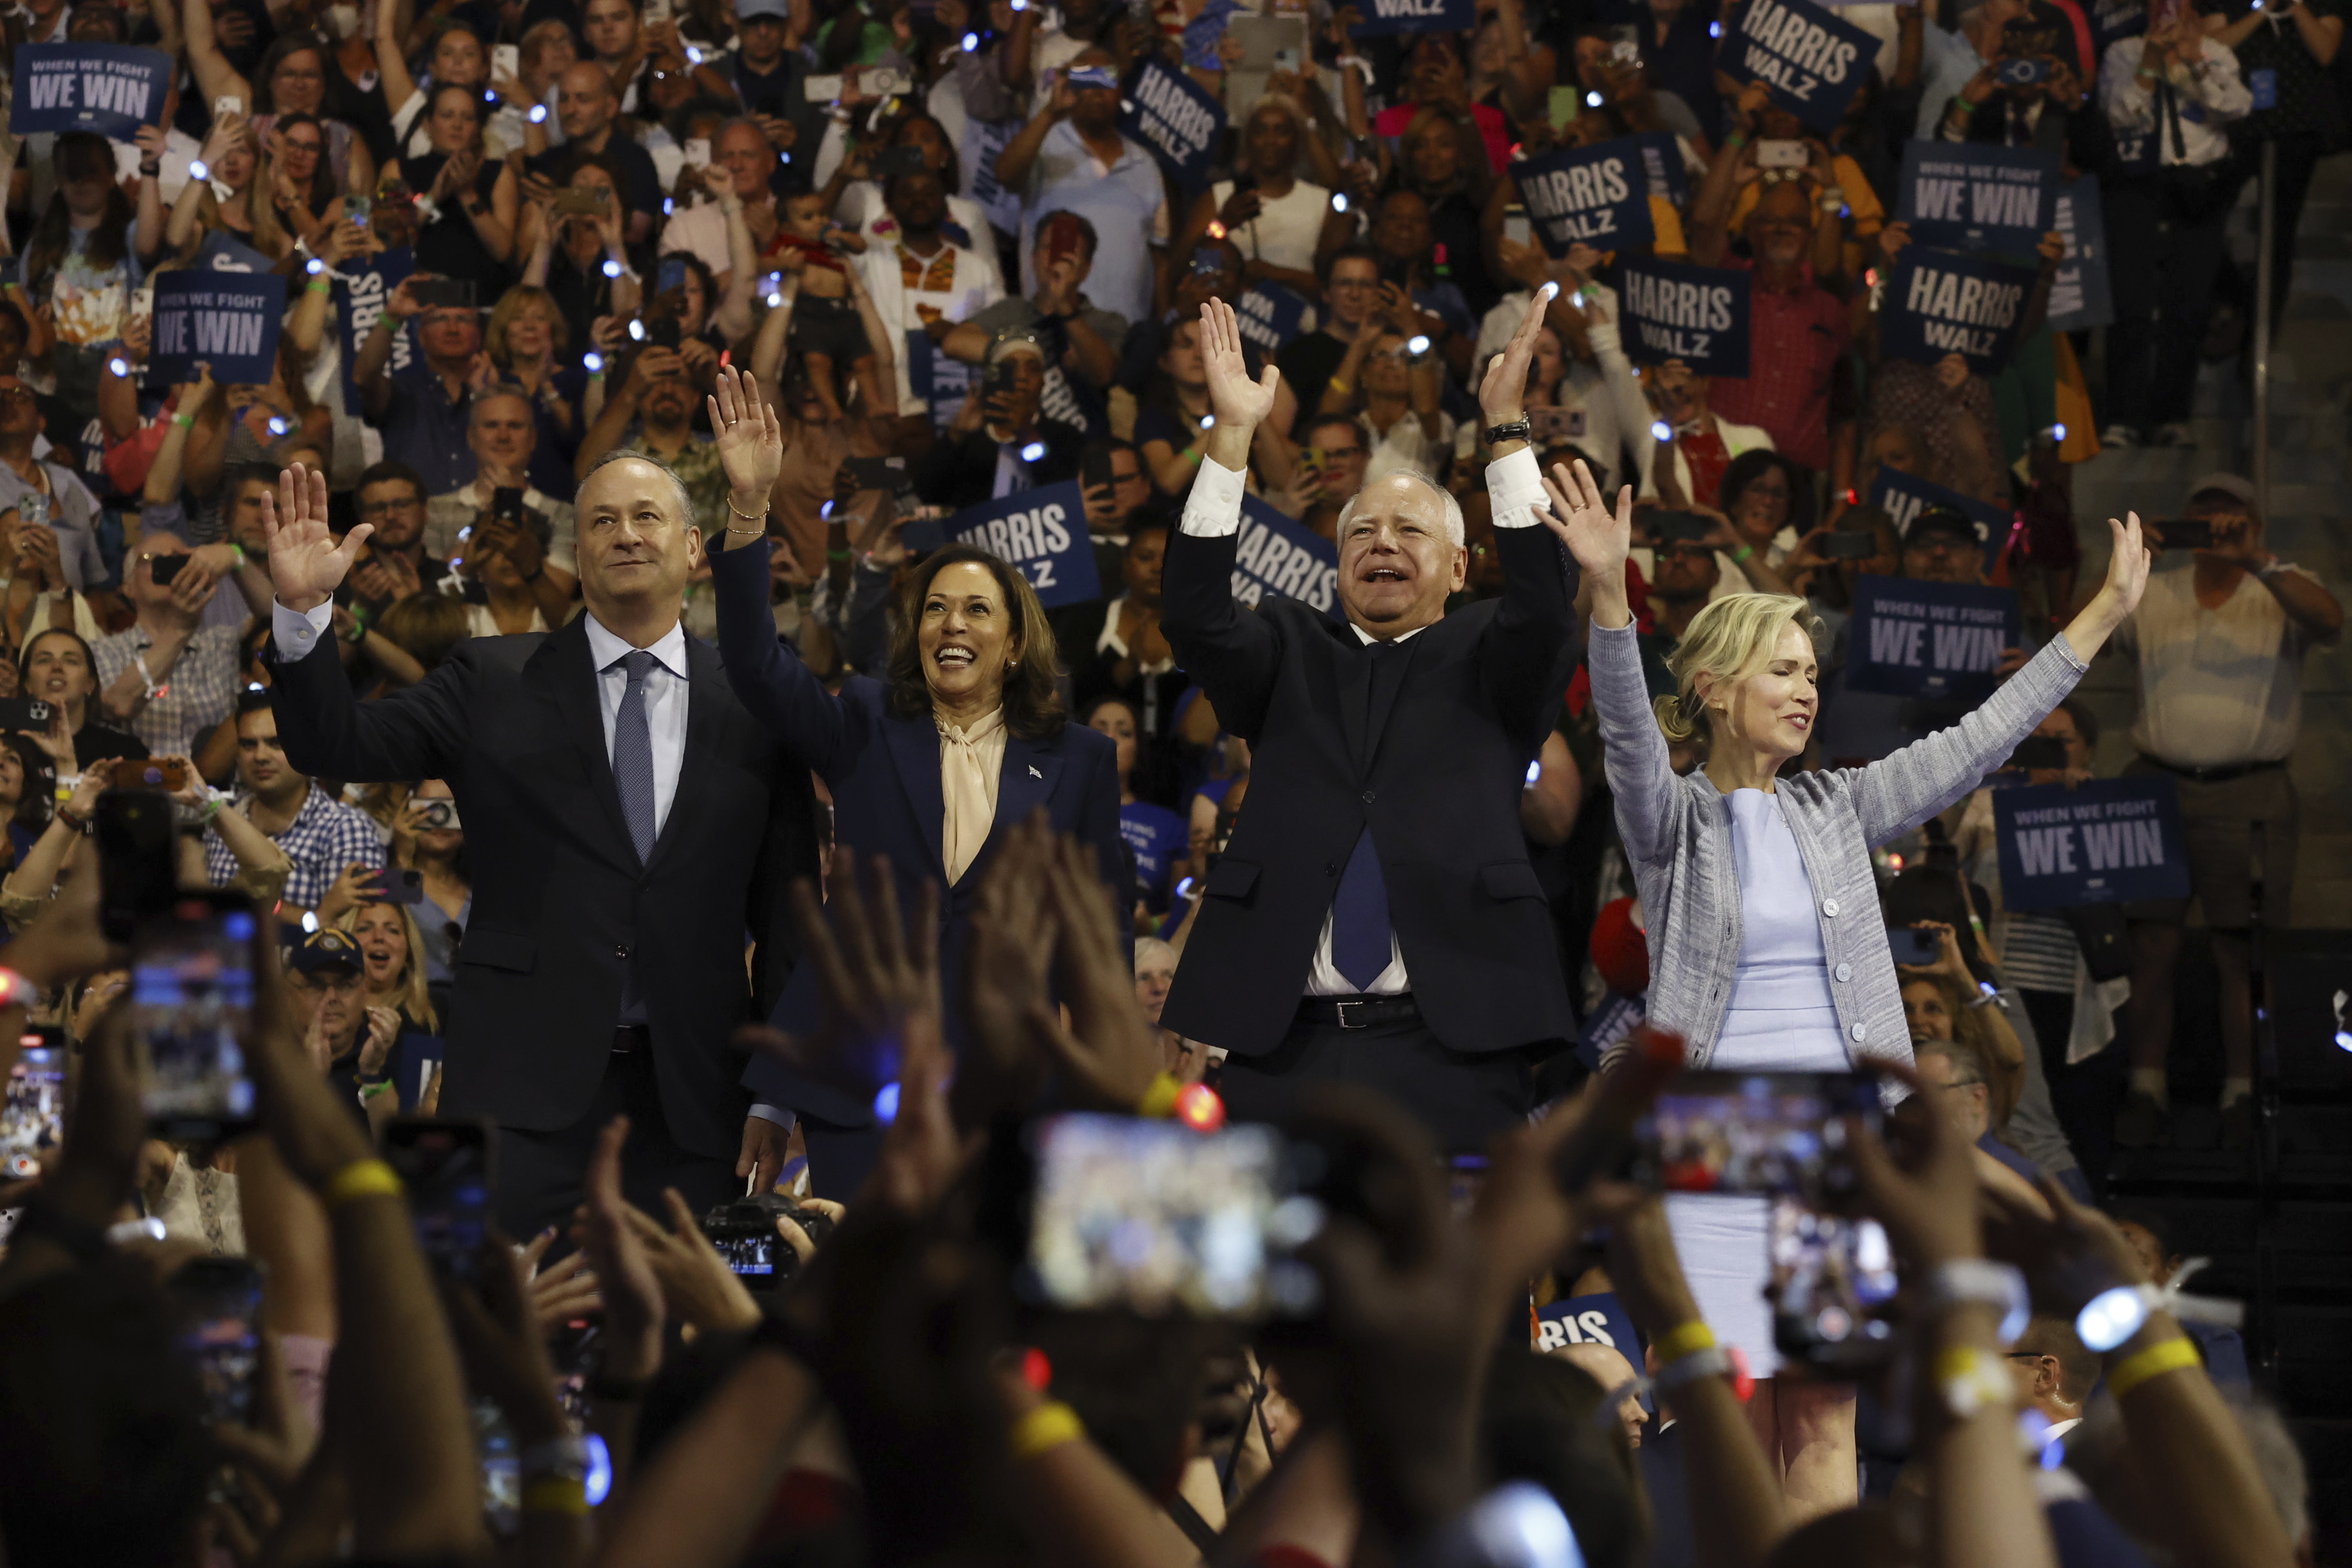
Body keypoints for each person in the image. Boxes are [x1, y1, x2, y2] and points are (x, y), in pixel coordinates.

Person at [1561, 431, 2150, 1516]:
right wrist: (1607, 592)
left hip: (1832, 1151)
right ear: (1717, 684)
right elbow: (1628, 737)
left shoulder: (1837, 808)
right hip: (1708, 1149)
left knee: (1823, 1419)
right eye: (1783, 670)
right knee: (1732, 1424)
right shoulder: (1676, 821)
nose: (1805, 690)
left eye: (1813, 675)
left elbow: (1975, 740)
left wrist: (2100, 618)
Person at [262, 453, 822, 1242]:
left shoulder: (759, 697)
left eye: (646, 516)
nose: (625, 534)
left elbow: (790, 913)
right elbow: (339, 741)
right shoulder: (491, 678)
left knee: (692, 1348)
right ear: (577, 552)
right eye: (602, 520)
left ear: (695, 547)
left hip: (699, 1104)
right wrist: (302, 611)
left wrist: (775, 1089)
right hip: (518, 1099)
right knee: (493, 1336)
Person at [1155, 294, 1580, 1151]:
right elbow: (1196, 616)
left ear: (1460, 566)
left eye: (1411, 530)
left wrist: (1505, 431)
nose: (1383, 543)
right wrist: (1232, 439)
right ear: (1337, 563)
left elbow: (1542, 607)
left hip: (1453, 1048)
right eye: (1363, 533)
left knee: (1461, 1287)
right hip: (1283, 1048)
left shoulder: (1493, 661)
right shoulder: (1287, 647)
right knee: (1272, 1288)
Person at [706, 366, 1125, 1195]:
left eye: (976, 609)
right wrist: (750, 505)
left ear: (1013, 643)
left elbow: (1099, 936)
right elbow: (754, 662)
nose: (952, 624)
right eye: (935, 608)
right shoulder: (863, 721)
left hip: (1015, 1094)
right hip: (864, 1087)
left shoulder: (1081, 760)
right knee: (871, 1311)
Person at [2110, 475, 2342, 1150]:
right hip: (2156, 786)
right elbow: (2085, 639)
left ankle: (2244, 1090)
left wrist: (2257, 561)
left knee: (2242, 951)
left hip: (2250, 790)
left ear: (2252, 523)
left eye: (2229, 513)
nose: (2214, 522)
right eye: (2202, 512)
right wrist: (2131, 568)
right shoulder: (2155, 588)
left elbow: (2330, 619)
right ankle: (2145, 1085)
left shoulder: (2280, 583)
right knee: (2150, 944)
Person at [2095, 0, 2251, 448]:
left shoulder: (2215, 52)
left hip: (2200, 185)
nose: (2169, 12)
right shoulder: (2123, 52)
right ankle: (2123, 415)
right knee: (2131, 302)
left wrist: (2195, 62)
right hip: (2139, 185)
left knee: (2189, 302)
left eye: (2178, 4)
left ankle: (2172, 414)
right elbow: (2119, 116)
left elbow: (2237, 107)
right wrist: (2148, 65)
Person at [204, 690, 388, 919]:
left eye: (276, 743)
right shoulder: (222, 818)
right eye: (249, 745)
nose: (260, 755)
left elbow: (352, 935)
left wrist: (271, 907)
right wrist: (318, 917)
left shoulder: (345, 827)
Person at [91, 531, 244, 759]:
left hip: (214, 788)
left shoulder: (222, 643)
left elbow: (282, 623)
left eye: (179, 560)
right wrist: (179, 631)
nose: (169, 567)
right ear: (128, 587)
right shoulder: (102, 652)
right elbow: (117, 705)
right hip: (139, 789)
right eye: (151, 559)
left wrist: (236, 558)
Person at [17, 629, 147, 767]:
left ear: (90, 684)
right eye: (44, 660)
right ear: (27, 684)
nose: (56, 667)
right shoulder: (9, 747)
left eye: (71, 661)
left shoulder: (124, 752)